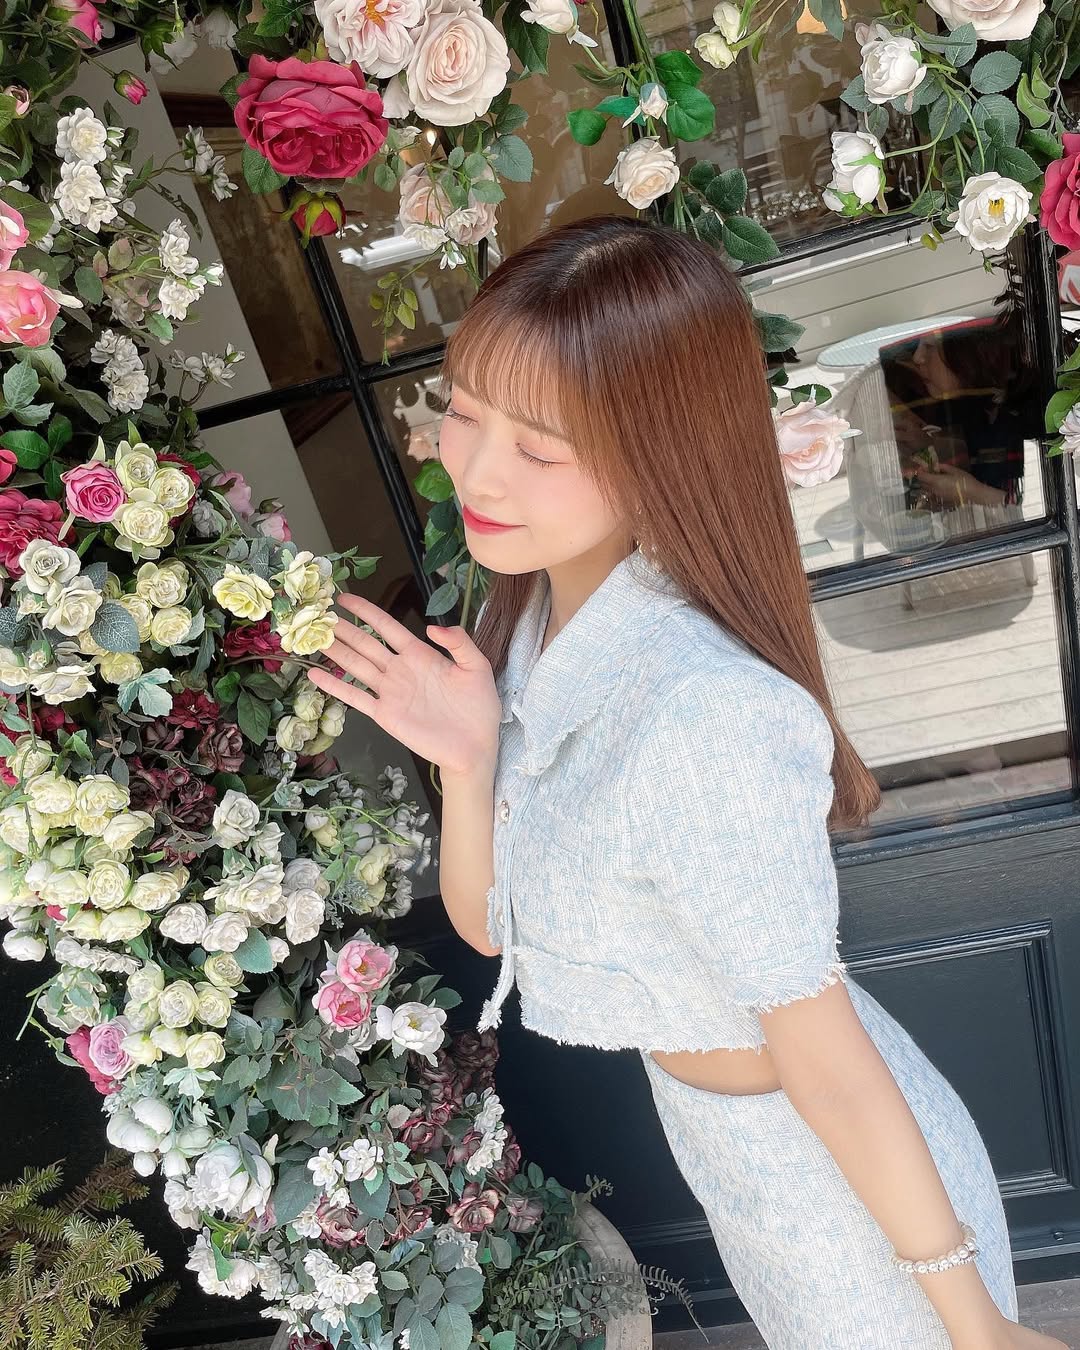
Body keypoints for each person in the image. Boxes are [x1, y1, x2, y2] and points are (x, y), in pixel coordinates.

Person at [305, 214, 1064, 1350]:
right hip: (737, 1150)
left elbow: (831, 1068)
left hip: (841, 1199)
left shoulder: (703, 715)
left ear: (662, 453)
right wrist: (468, 760)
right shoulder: (542, 621)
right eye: (463, 409)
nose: (475, 468)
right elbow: (497, 925)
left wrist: (979, 1329)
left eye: (539, 449)